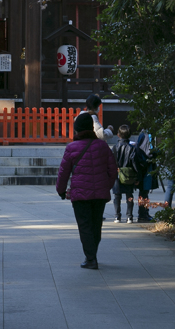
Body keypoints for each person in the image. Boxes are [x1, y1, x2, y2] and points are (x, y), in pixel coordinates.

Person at [55, 113, 117, 269]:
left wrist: (61, 190)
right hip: (99, 195)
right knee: (96, 225)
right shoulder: (102, 146)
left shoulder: (71, 147)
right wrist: (105, 186)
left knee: (85, 226)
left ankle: (91, 258)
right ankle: (92, 254)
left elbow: (64, 172)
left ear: (77, 129)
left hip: (80, 195)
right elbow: (113, 170)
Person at [111, 125, 143, 223]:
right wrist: (138, 176)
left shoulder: (115, 147)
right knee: (129, 195)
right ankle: (129, 216)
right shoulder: (132, 148)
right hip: (129, 174)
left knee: (117, 196)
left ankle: (117, 216)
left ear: (118, 135)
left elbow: (111, 162)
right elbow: (135, 163)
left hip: (117, 173)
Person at [135, 130, 154, 221]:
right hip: (146, 166)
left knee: (143, 191)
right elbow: (149, 152)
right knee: (144, 191)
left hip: (142, 165)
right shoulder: (147, 135)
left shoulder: (142, 134)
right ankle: (143, 214)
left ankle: (144, 212)